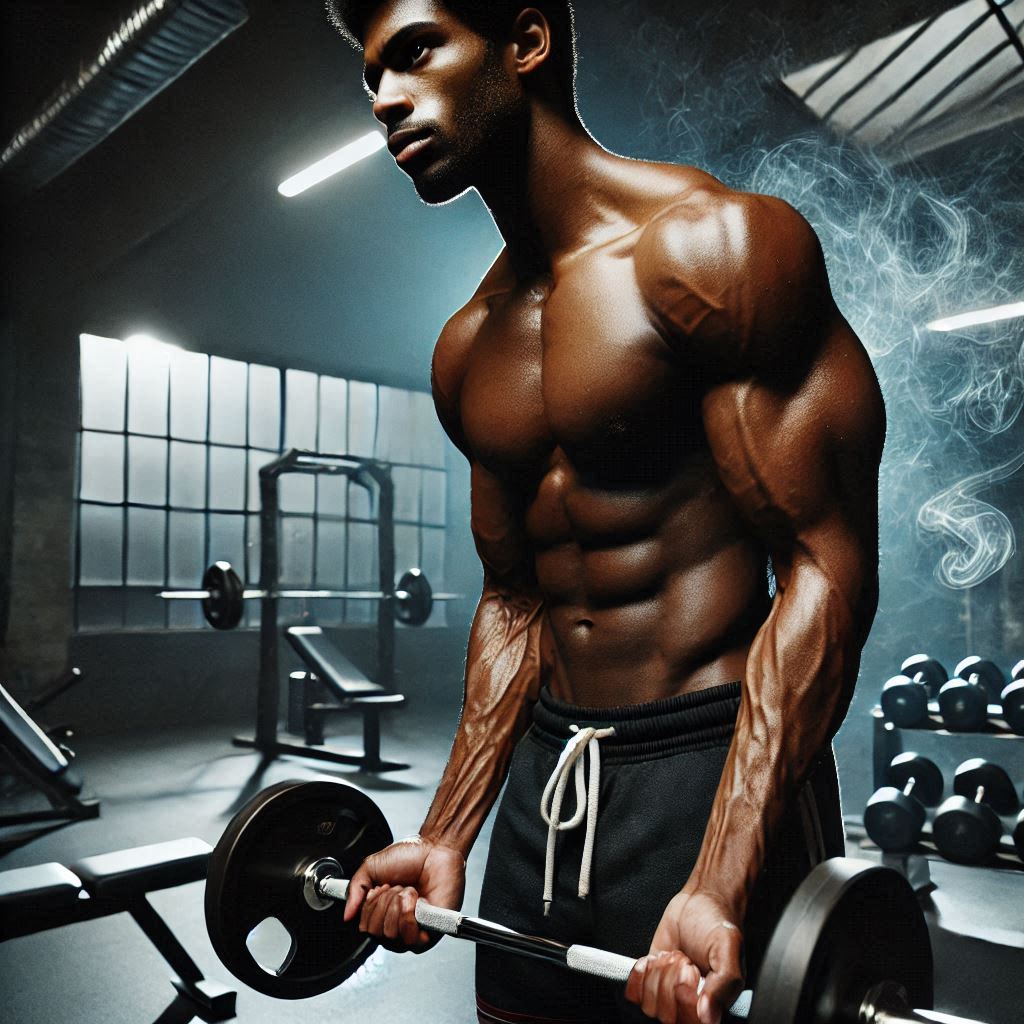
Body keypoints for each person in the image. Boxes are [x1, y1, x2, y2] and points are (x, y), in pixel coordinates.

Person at [328, 3, 885, 1022]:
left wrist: (720, 874)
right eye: (369, 77)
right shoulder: (470, 346)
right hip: (551, 778)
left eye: (414, 53)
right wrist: (450, 829)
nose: (384, 98)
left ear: (525, 43)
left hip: (716, 768)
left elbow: (822, 569)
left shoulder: (715, 251)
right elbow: (513, 595)